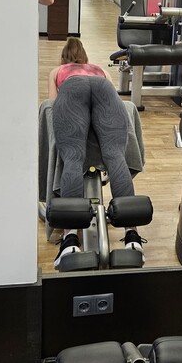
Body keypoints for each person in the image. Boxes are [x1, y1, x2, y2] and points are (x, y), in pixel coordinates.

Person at [48, 37, 146, 267]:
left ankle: (70, 241)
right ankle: (132, 238)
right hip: (104, 89)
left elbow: (51, 104)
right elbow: (117, 103)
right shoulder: (99, 70)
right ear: (85, 57)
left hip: (71, 88)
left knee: (73, 158)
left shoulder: (57, 71)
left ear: (64, 58)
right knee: (116, 157)